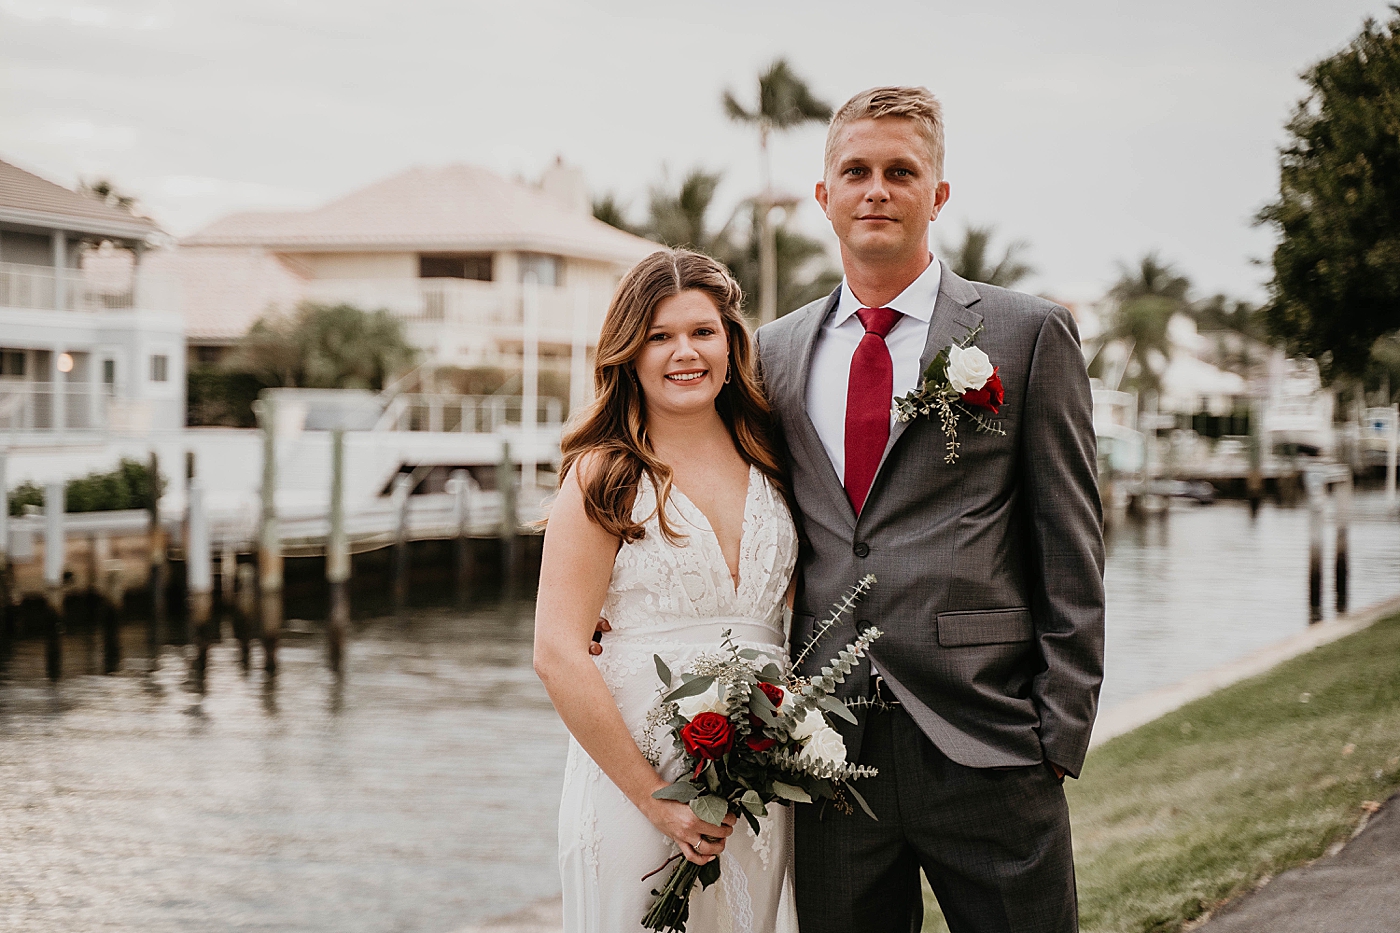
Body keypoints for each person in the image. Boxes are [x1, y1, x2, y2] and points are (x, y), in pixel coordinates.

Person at [752, 86, 1106, 932]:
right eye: (857, 171)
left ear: (937, 195)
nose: (878, 188)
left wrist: (1057, 733)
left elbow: (1072, 543)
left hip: (987, 738)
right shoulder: (772, 352)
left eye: (901, 171)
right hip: (830, 751)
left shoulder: (1025, 334)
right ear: (824, 196)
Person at [534, 249, 800, 933]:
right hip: (637, 785)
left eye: (701, 331)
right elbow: (558, 652)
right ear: (630, 351)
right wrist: (658, 801)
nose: (684, 352)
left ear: (730, 340)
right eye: (659, 336)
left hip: (760, 788)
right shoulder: (606, 474)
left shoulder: (775, 457)